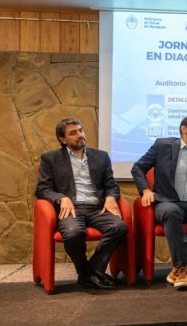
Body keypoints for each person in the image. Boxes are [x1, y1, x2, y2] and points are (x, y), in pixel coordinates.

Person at [35, 117, 127, 290]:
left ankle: (88, 273)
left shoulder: (101, 156)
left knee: (119, 227)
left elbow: (111, 185)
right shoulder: (50, 159)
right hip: (71, 209)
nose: (80, 135)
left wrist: (110, 197)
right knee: (73, 233)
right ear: (63, 139)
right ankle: (90, 274)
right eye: (73, 133)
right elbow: (42, 189)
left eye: (80, 130)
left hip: (97, 208)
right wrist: (61, 198)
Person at [131, 115, 187, 290]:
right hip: (167, 201)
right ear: (183, 129)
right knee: (172, 212)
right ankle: (182, 265)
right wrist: (146, 190)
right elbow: (138, 168)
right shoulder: (162, 145)